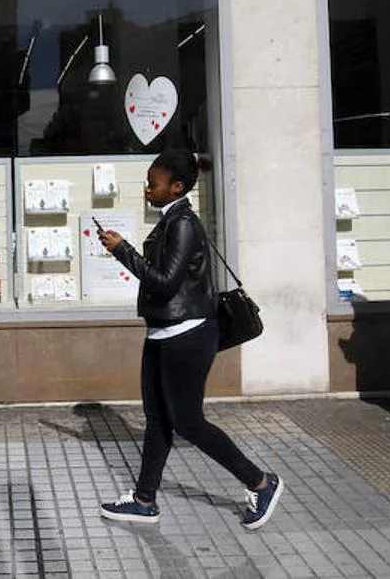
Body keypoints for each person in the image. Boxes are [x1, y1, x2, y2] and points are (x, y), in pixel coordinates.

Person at [96, 149, 282, 530]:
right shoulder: (169, 220)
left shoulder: (183, 223)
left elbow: (164, 282)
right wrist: (124, 250)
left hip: (186, 335)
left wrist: (122, 251)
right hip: (162, 333)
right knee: (157, 420)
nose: (147, 190)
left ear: (177, 187)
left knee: (188, 422)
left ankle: (260, 483)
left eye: (154, 184)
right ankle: (145, 500)